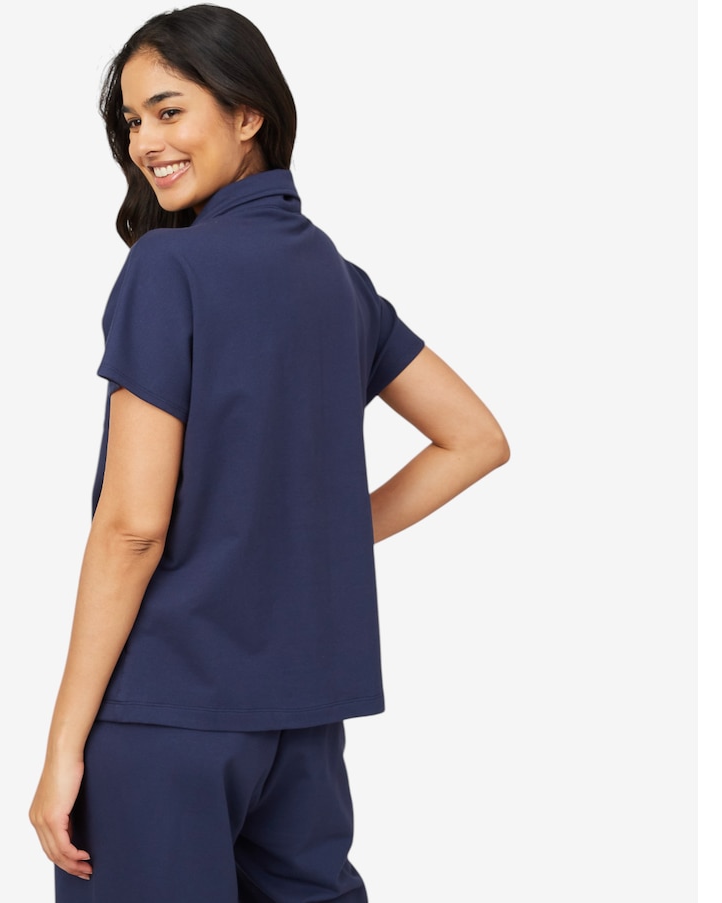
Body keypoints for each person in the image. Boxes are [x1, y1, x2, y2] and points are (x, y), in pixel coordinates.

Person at [30, 5, 510, 901]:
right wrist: (322, 533)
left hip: (165, 716)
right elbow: (474, 438)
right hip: (304, 727)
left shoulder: (166, 270)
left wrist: (63, 745)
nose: (145, 142)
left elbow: (132, 527)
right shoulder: (340, 284)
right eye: (132, 120)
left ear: (248, 114)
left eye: (169, 110)